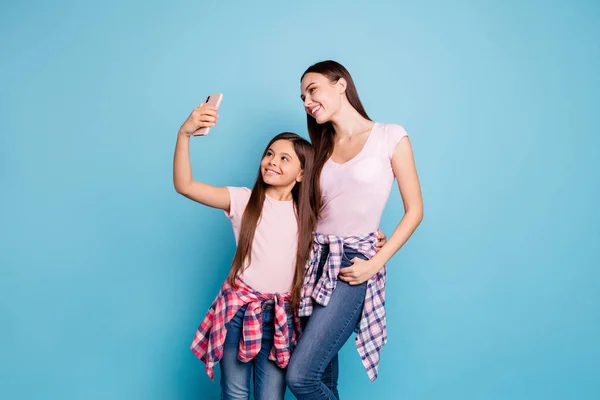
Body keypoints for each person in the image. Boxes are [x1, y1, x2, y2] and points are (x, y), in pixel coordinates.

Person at [286, 60, 424, 399]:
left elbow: (415, 210)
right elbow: (307, 213)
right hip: (312, 263)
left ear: (341, 84)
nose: (306, 101)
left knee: (300, 377)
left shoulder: (389, 136)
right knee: (323, 380)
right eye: (302, 96)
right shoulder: (318, 149)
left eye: (312, 90)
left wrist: (374, 262)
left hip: (353, 264)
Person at [173, 102, 316, 399]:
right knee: (235, 394)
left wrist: (376, 236)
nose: (272, 161)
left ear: (302, 174)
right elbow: (185, 185)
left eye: (284, 158)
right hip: (238, 313)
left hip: (280, 319)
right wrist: (184, 134)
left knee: (270, 397)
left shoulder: (310, 216)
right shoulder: (243, 200)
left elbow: (346, 229)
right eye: (269, 154)